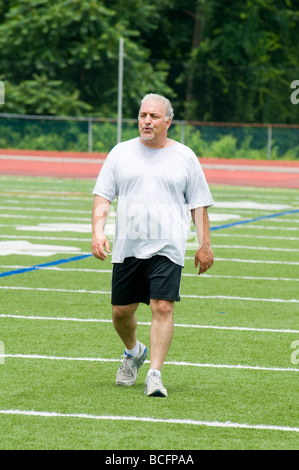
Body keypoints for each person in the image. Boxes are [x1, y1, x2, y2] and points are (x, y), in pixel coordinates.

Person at [91, 93, 214, 397]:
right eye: (143, 115)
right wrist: (98, 231)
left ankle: (155, 375)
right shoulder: (120, 153)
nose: (146, 121)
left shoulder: (185, 156)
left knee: (162, 306)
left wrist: (204, 244)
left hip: (168, 246)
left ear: (168, 122)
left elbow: (198, 204)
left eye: (154, 117)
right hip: (127, 246)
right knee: (121, 311)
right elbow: (103, 195)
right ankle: (134, 351)